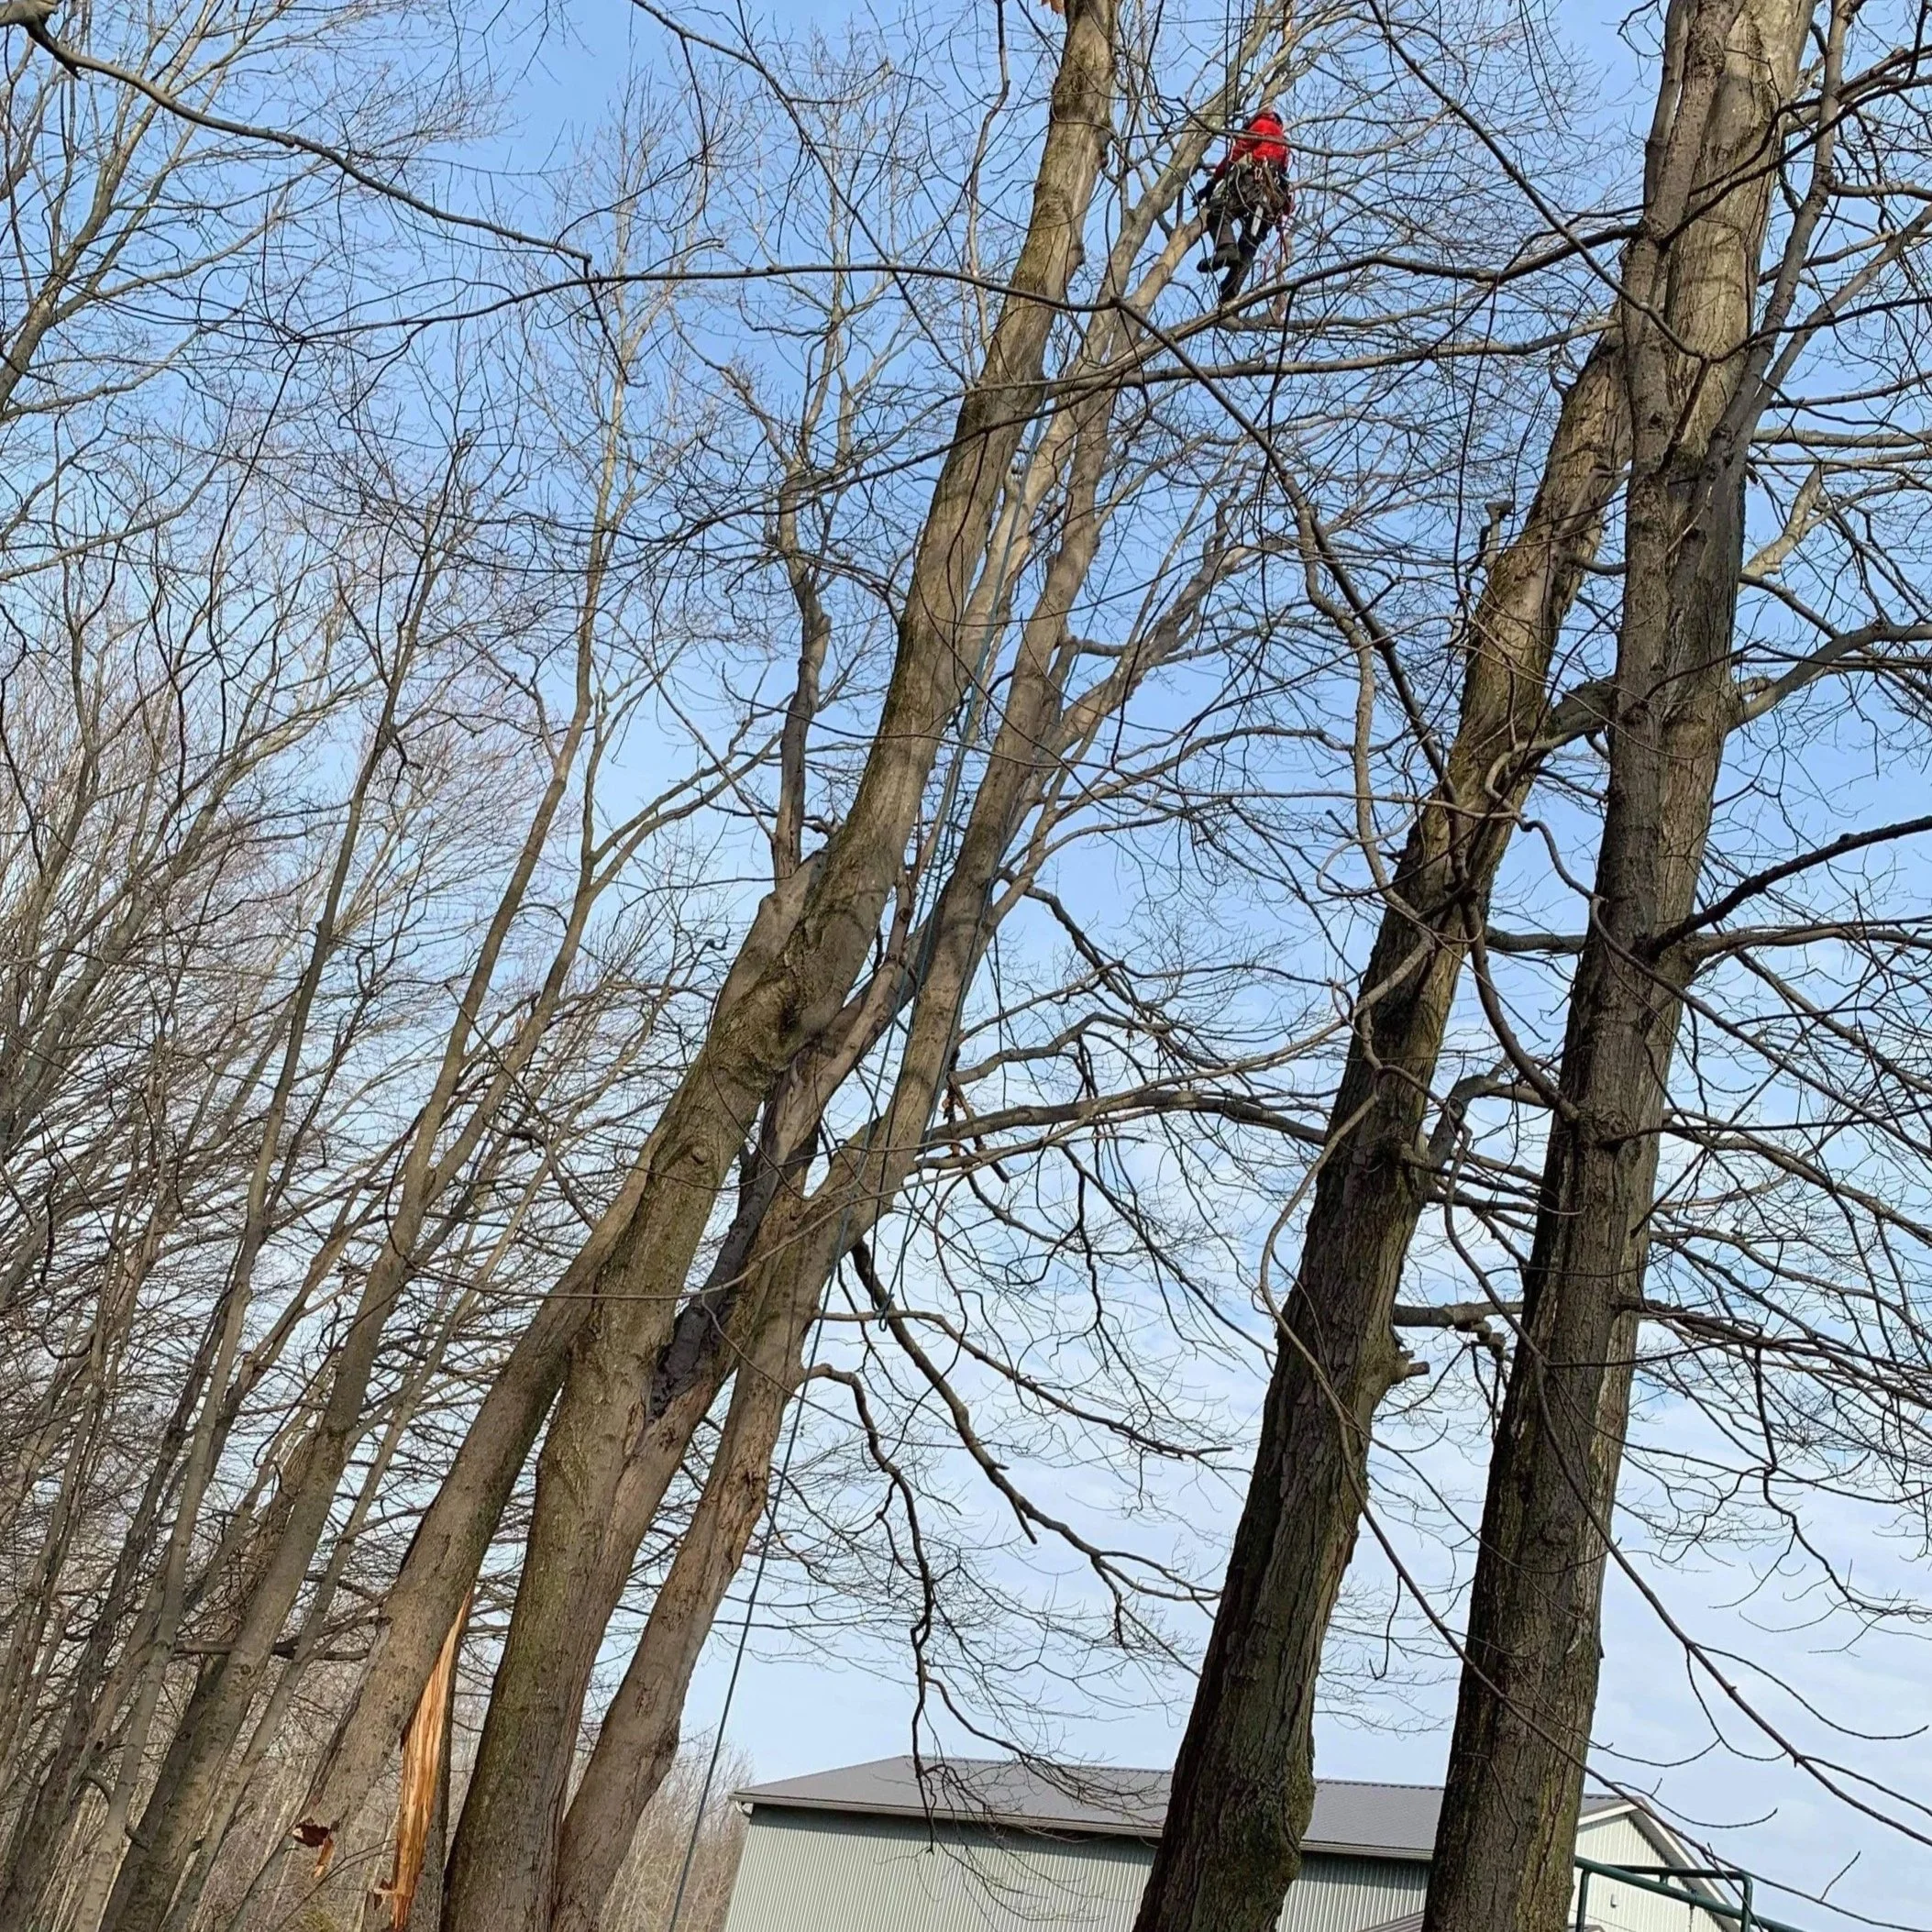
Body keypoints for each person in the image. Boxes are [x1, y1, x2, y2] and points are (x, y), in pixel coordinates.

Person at [1199, 107, 1291, 303]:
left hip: (1253, 184)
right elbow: (1284, 180)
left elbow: (1236, 153)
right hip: (1271, 201)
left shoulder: (1262, 125)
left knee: (1218, 211)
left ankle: (1226, 248)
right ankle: (1232, 287)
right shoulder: (1284, 145)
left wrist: (1212, 182)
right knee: (1250, 242)